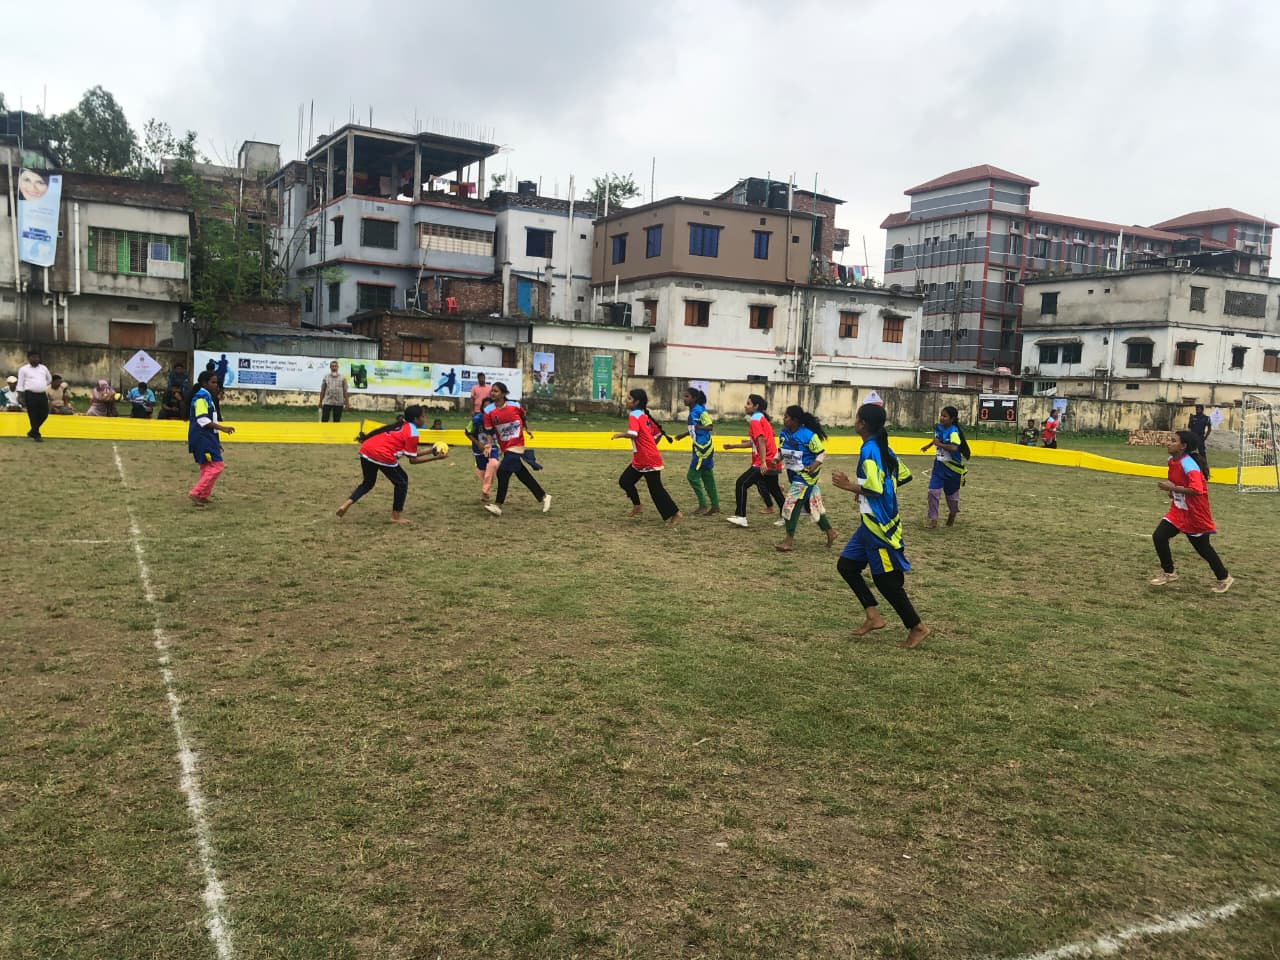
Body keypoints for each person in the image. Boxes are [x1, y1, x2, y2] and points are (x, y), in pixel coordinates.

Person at [831, 403, 930, 649]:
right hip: (868, 523)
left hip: (880, 526)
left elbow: (875, 488)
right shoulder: (882, 447)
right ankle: (873, 616)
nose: (855, 422)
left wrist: (850, 486)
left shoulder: (870, 450)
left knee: (886, 580)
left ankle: (917, 627)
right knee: (847, 566)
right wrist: (867, 492)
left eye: (857, 418)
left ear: (863, 423)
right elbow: (903, 475)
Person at [1150, 429, 1233, 593]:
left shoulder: (1189, 465)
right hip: (1179, 510)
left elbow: (1197, 489)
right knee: (1159, 536)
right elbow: (1177, 482)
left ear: (1183, 446)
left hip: (1195, 513)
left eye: (1173, 441)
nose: (1168, 443)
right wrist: (1172, 491)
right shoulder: (1171, 460)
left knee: (1203, 548)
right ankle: (1169, 572)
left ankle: (1224, 577)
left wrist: (1174, 488)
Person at [335, 405, 448, 523]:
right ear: (416, 419)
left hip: (367, 449)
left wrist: (430, 451)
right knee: (401, 482)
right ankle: (395, 516)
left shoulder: (401, 424)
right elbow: (412, 460)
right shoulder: (413, 433)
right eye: (423, 416)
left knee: (368, 483)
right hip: (382, 454)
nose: (424, 419)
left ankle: (346, 504)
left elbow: (410, 454)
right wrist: (436, 458)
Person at [612, 387, 681, 524]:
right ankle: (637, 506)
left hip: (647, 459)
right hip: (641, 458)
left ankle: (675, 513)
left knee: (656, 489)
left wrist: (620, 435)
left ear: (636, 402)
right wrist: (650, 446)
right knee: (625, 481)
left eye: (629, 399)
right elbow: (658, 434)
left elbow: (633, 434)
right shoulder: (644, 415)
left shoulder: (634, 415)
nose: (627, 400)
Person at [482, 381, 551, 516]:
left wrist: (527, 428)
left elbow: (523, 417)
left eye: (496, 391)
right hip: (505, 446)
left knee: (502, 472)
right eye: (492, 391)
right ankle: (543, 496)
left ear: (503, 393)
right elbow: (489, 431)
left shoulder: (515, 405)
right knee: (522, 474)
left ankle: (498, 505)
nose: (493, 393)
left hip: (517, 443)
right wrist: (488, 444)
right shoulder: (488, 411)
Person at [775, 405, 837, 552]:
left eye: (786, 417)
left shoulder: (808, 435)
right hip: (794, 474)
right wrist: (776, 459)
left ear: (794, 420)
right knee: (810, 506)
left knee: (790, 505)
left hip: (806, 476)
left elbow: (821, 453)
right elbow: (782, 451)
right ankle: (830, 532)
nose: (783, 419)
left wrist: (813, 466)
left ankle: (788, 542)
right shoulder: (783, 433)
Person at [724, 394, 784, 527]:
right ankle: (787, 516)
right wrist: (733, 446)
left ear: (756, 406)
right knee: (774, 489)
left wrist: (762, 462)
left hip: (765, 460)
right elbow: (754, 442)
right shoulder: (760, 418)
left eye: (748, 403)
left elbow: (761, 440)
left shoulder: (755, 420)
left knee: (741, 483)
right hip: (771, 459)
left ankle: (741, 516)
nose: (745, 406)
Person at [187, 370, 236, 506]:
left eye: (216, 383)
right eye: (213, 382)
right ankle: (196, 493)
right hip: (202, 437)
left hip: (207, 437)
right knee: (217, 466)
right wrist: (223, 428)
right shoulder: (201, 398)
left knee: (206, 466)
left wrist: (217, 442)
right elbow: (202, 420)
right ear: (204, 383)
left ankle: (202, 495)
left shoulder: (207, 398)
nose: (216, 385)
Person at [920, 404, 970, 529]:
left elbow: (954, 447)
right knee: (933, 492)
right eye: (941, 415)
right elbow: (936, 438)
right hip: (939, 466)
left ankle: (953, 513)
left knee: (951, 497)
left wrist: (940, 445)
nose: (941, 418)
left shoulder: (954, 432)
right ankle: (933, 519)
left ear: (952, 419)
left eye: (945, 416)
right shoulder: (938, 427)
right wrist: (928, 445)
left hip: (952, 469)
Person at [674, 386, 720, 516]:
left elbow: (710, 426)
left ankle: (703, 505)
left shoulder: (699, 410)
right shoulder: (694, 410)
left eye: (687, 396)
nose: (684, 399)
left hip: (702, 448)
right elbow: (694, 428)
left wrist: (700, 427)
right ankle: (715, 506)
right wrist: (683, 435)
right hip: (701, 447)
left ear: (694, 398)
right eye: (684, 396)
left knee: (692, 477)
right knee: (707, 477)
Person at [466, 401, 500, 501]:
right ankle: (486, 491)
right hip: (478, 448)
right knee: (483, 471)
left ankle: (485, 490)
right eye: (485, 407)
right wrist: (478, 443)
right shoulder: (476, 420)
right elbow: (467, 432)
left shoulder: (497, 418)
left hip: (492, 446)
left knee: (493, 464)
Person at [17, 349, 52, 440]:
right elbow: (20, 383)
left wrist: (41, 385)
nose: (35, 359)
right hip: (30, 395)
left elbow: (49, 379)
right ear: (28, 358)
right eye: (33, 357)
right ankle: (36, 435)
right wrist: (20, 396)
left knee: (44, 414)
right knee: (33, 414)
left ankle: (32, 432)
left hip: (42, 394)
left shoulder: (43, 368)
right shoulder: (23, 369)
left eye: (37, 357)